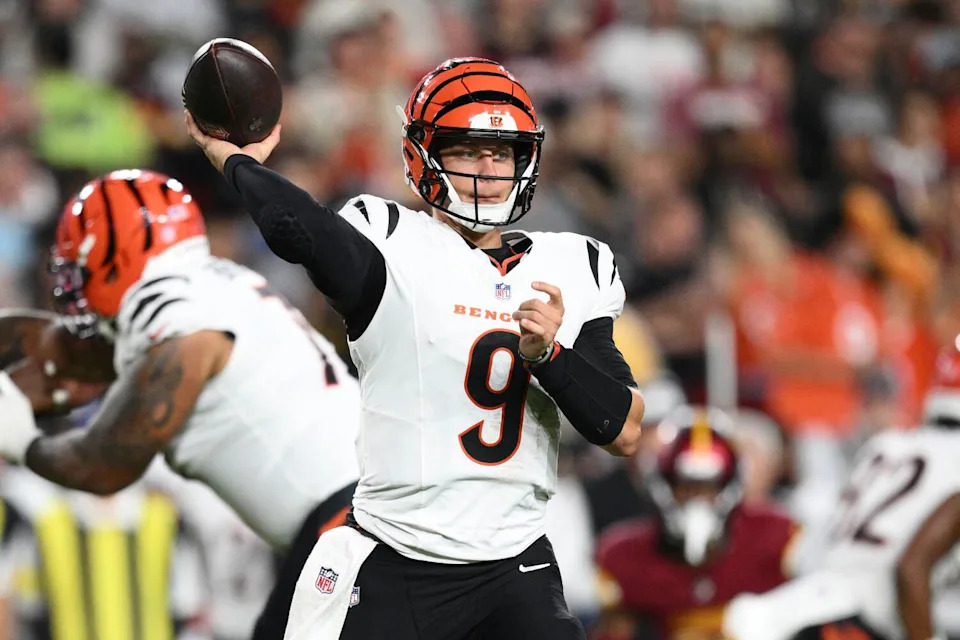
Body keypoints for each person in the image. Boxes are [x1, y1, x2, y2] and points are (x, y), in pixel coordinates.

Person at [187, 56, 644, 640]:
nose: (488, 169)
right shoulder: (391, 240)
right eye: (467, 151)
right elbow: (298, 230)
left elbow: (623, 429)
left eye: (501, 152)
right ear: (422, 155)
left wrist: (549, 358)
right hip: (396, 555)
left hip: (514, 563)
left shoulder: (574, 265)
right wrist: (239, 163)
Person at [0, 169, 361, 639]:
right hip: (357, 518)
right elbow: (64, 351)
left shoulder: (178, 315)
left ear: (115, 256)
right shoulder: (210, 285)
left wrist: (23, 442)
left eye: (80, 269)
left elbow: (104, 464)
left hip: (351, 527)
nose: (74, 286)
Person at [723, 344, 960, 640]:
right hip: (855, 624)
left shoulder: (887, 445)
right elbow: (911, 570)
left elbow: (806, 555)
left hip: (802, 607)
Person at [595, 406, 797, 640]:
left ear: (730, 485)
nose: (698, 501)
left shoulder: (778, 537)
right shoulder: (623, 555)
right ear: (663, 485)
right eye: (687, 488)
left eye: (709, 488)